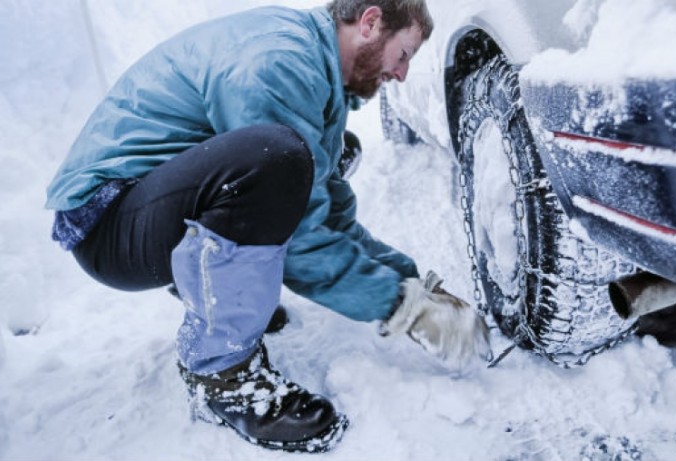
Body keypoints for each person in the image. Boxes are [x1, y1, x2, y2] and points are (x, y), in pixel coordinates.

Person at [45, 0, 489, 453]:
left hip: (147, 205)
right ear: (371, 23)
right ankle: (222, 377)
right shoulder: (279, 62)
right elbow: (301, 238)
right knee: (275, 161)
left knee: (302, 159)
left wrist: (411, 280)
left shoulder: (315, 65)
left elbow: (327, 215)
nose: (401, 74)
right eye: (405, 54)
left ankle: (222, 290)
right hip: (109, 223)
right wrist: (403, 308)